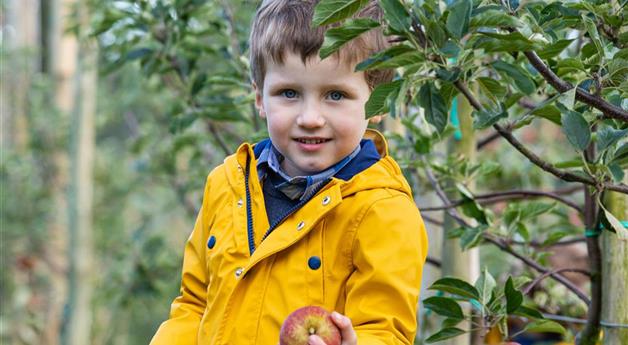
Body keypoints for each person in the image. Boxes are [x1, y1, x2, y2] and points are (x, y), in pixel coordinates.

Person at [150, 1, 428, 344]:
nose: (310, 117)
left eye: (336, 95)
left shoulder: (382, 212)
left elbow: (386, 330)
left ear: (378, 103)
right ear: (259, 97)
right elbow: (194, 305)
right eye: (289, 93)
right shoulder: (225, 185)